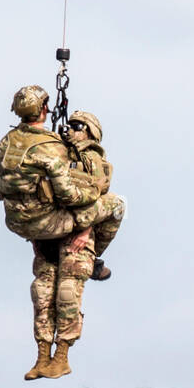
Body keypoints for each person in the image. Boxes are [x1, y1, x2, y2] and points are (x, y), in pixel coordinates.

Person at [0, 85, 100, 380]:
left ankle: (47, 358)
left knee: (44, 290)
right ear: (44, 109)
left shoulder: (5, 144)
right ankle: (54, 357)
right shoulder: (52, 148)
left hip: (24, 225)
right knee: (113, 205)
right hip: (52, 224)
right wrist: (89, 203)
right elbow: (69, 196)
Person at [64, 110, 125, 281]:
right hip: (56, 217)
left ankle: (90, 253)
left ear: (89, 132)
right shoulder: (56, 151)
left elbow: (98, 195)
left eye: (76, 127)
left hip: (80, 217)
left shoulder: (93, 158)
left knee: (118, 205)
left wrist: (86, 230)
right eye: (70, 126)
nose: (70, 130)